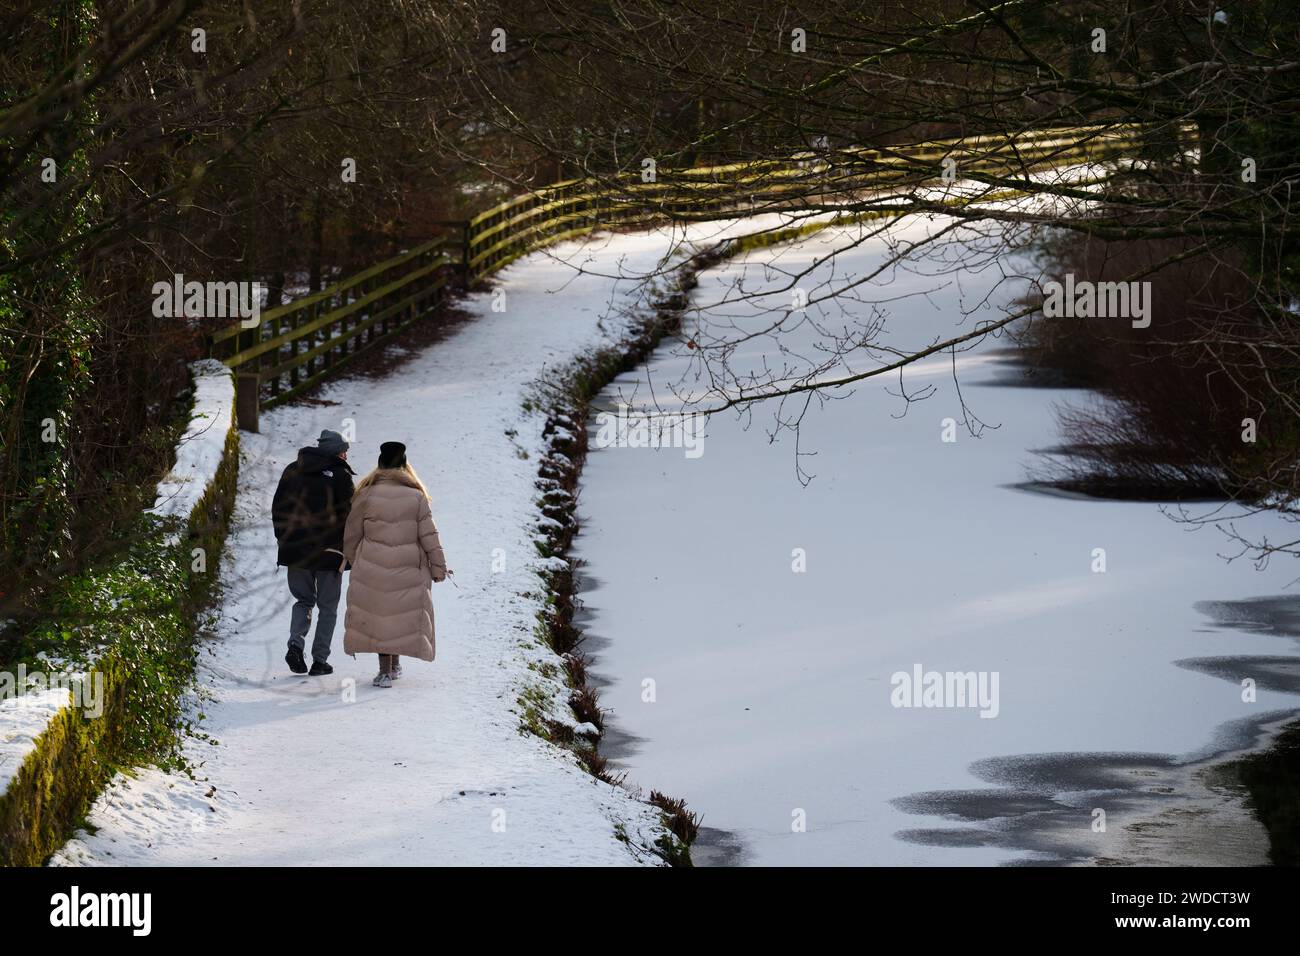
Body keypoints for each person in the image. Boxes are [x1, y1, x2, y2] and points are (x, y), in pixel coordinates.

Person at [342, 441, 448, 688]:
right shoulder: (416, 495)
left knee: (380, 617)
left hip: (372, 566)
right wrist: (439, 567)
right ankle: (395, 665)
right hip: (408, 567)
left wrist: (354, 559)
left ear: (380, 464)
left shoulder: (365, 494)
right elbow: (429, 536)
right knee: (397, 615)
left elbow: (352, 533)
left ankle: (385, 671)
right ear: (404, 464)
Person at [271, 429, 355, 676]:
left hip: (296, 552)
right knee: (327, 607)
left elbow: (278, 509)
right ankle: (320, 660)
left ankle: (295, 644)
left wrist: (284, 540)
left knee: (303, 601)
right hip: (330, 554)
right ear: (336, 452)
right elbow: (349, 516)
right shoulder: (340, 475)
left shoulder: (292, 470)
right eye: (344, 451)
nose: (346, 455)